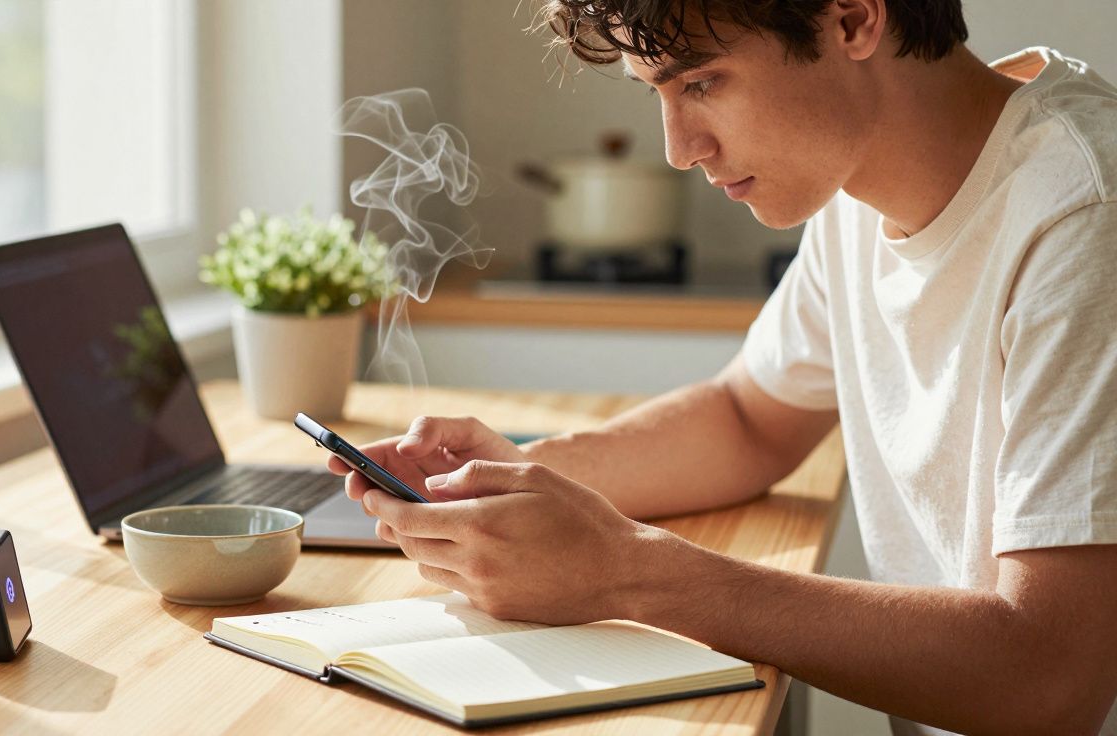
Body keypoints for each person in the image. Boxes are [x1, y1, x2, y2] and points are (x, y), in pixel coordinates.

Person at [327, 1, 1117, 733]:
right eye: (656, 94)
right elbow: (749, 416)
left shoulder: (1083, 216)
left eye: (701, 82)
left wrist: (628, 572)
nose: (679, 149)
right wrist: (523, 478)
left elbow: (1051, 678)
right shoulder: (852, 175)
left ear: (850, 19)